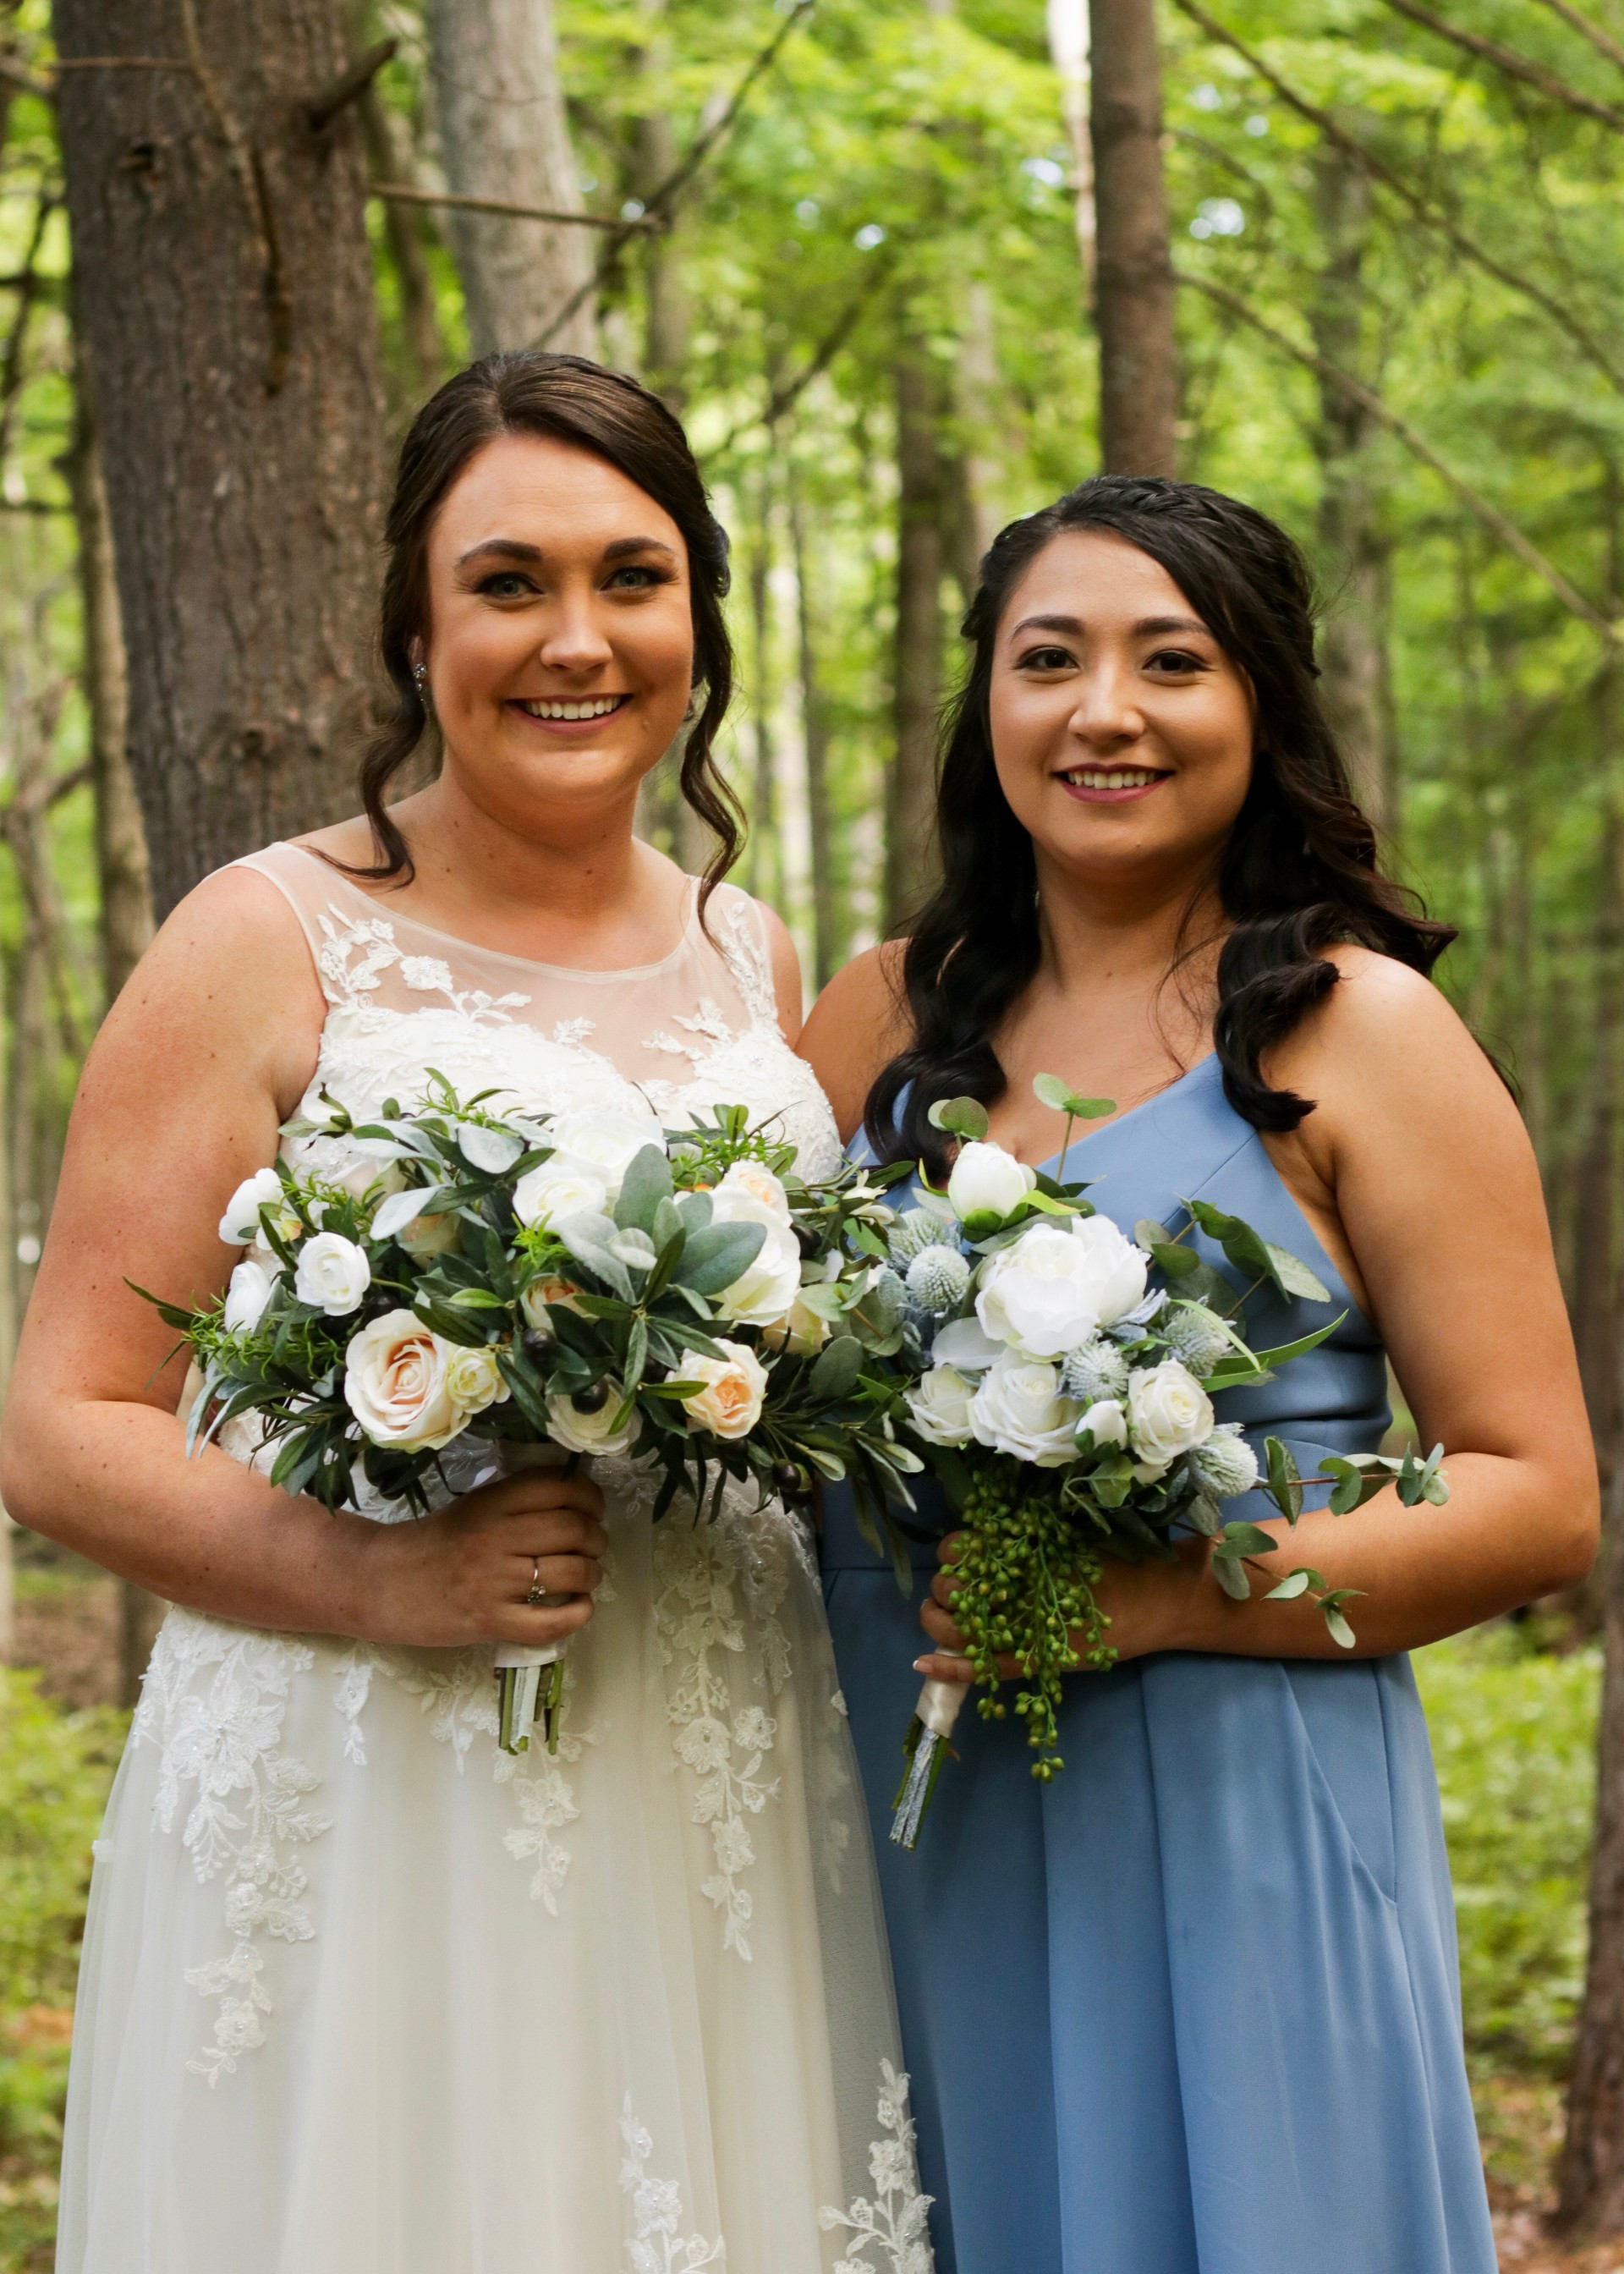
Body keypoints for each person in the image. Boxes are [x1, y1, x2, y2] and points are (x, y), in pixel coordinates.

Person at [3, 352, 929, 2273]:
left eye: (632, 578)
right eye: (509, 583)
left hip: (707, 1757)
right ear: (417, 634)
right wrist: (379, 1580)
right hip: (379, 1775)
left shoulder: (746, 953)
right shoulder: (261, 937)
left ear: (698, 620)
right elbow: (65, 1426)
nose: (576, 639)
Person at [801, 474, 1597, 2274]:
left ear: (1262, 703)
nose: (1106, 712)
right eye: (1049, 661)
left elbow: (1539, 1498)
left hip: (1235, 1815)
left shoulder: (1361, 1030)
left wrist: (1166, 1598)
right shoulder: (878, 1017)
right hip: (908, 1804)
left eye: (1172, 661)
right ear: (987, 704)